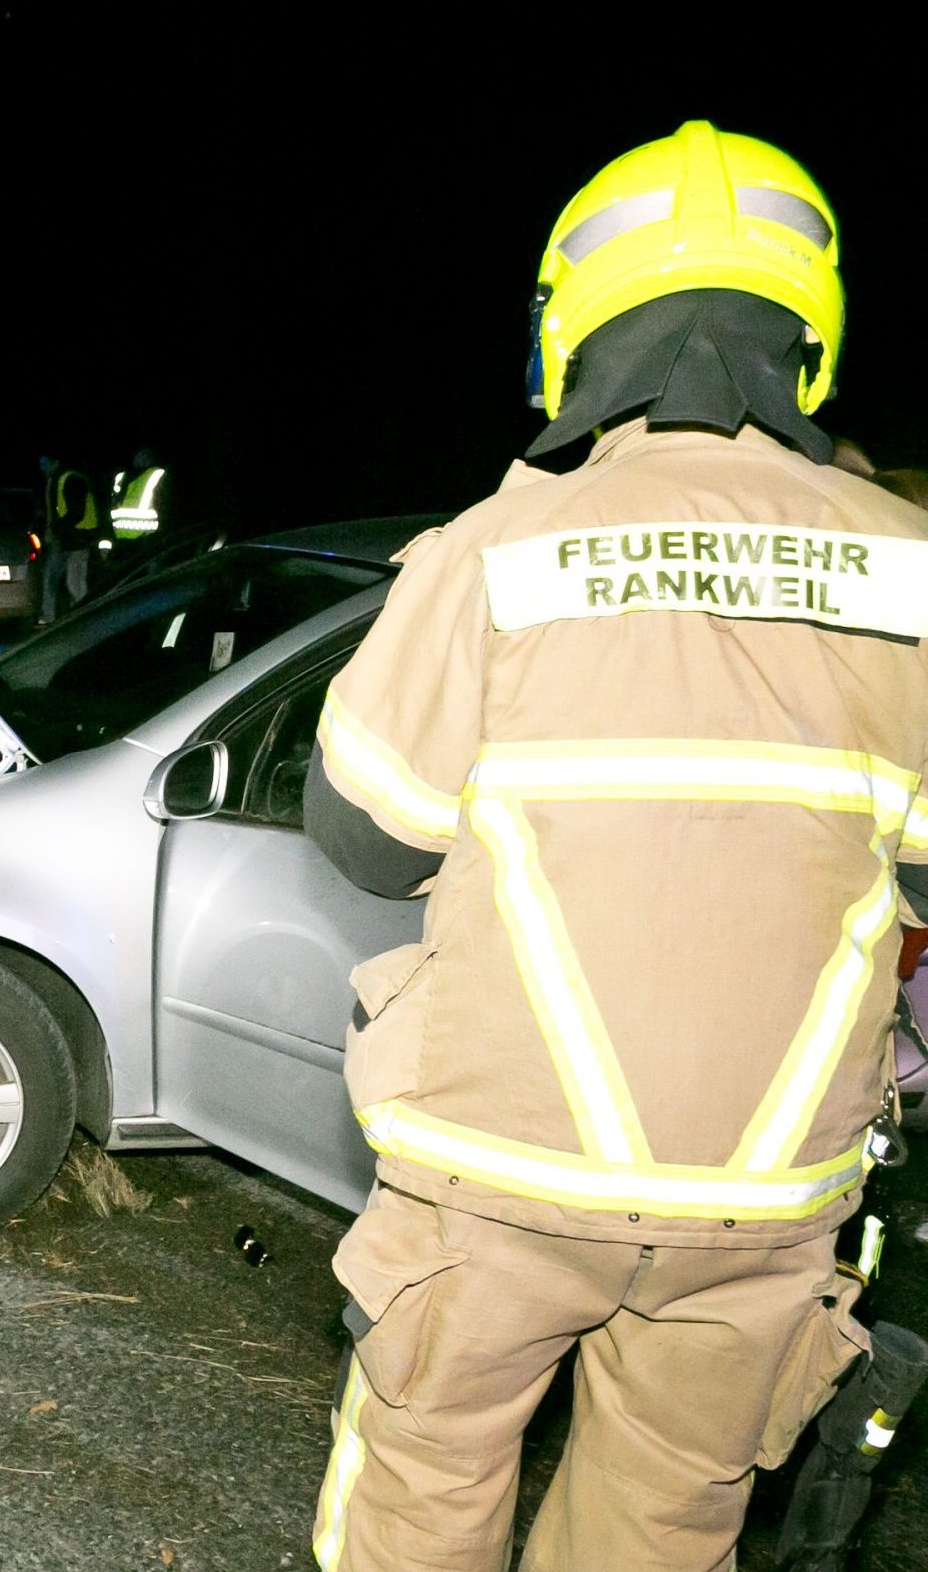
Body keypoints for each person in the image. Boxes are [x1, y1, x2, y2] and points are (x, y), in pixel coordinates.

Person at [301, 120, 928, 1571]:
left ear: (568, 328)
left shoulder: (496, 549)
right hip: (761, 1197)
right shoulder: (910, 574)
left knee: (420, 1498)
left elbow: (365, 836)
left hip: (491, 1172)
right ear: (807, 334)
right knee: (659, 1530)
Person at [34, 454, 100, 624]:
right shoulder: (53, 481)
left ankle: (81, 618)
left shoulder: (71, 480)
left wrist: (57, 527)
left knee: (75, 582)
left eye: (45, 463)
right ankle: (47, 618)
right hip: (62, 540)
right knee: (50, 579)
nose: (42, 468)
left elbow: (77, 512)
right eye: (40, 464)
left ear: (56, 462)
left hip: (77, 540)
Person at [111, 447, 168, 540]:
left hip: (146, 537)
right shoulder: (120, 477)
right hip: (122, 537)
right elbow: (113, 504)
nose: (140, 457)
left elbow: (165, 504)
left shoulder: (157, 474)